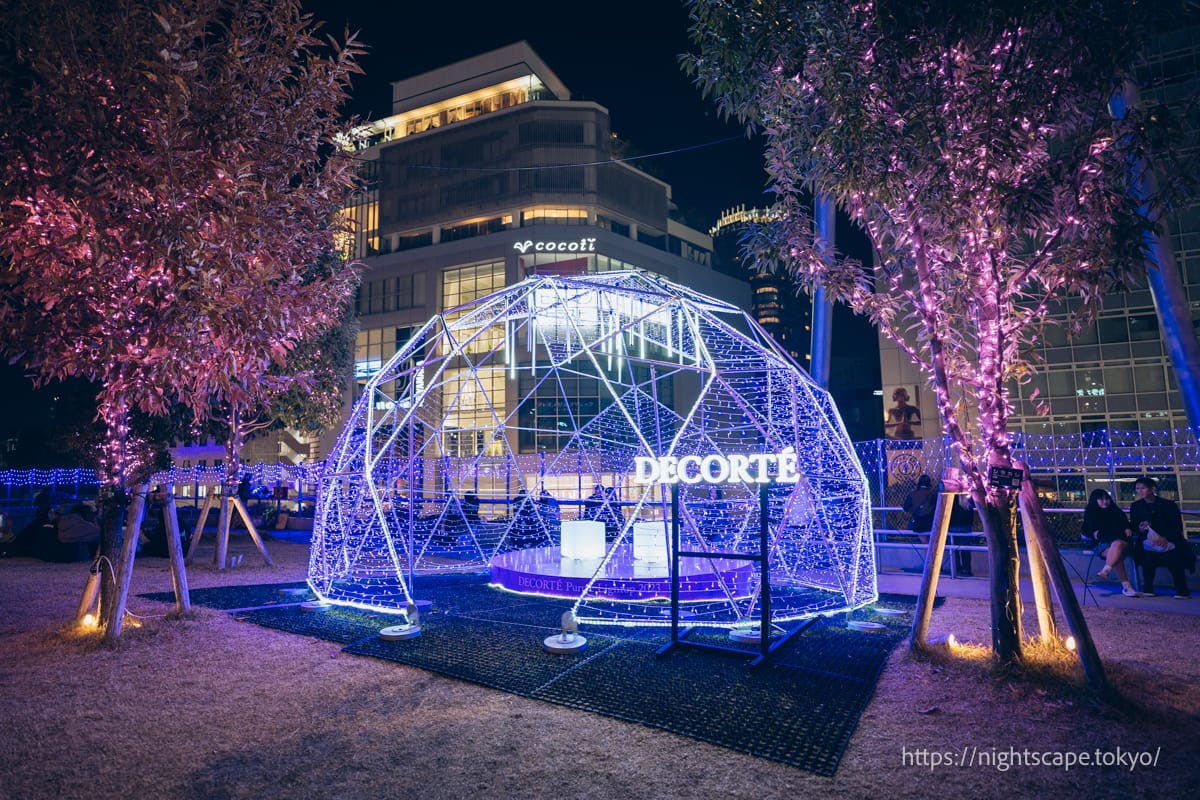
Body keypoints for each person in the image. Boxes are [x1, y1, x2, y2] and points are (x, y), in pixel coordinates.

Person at [1128, 476, 1194, 598]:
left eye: (1143, 488)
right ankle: (1148, 587)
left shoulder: (1168, 505)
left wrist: (1165, 537)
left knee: (1173, 557)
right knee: (1147, 558)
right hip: (1148, 541)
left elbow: (1176, 526)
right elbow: (1134, 525)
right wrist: (1140, 528)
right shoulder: (1136, 506)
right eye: (1137, 488)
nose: (1140, 491)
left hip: (1168, 540)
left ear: (1152, 489)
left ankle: (1182, 589)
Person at [1081, 488, 1142, 597]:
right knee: (1115, 554)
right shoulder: (1091, 513)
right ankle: (1126, 587)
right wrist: (1094, 533)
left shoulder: (1116, 511)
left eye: (1107, 499)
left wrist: (1127, 528)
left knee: (1117, 545)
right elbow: (1086, 530)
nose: (1105, 502)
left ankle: (1107, 570)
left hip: (1121, 543)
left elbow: (1126, 524)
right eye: (1101, 499)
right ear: (1095, 500)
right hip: (1103, 544)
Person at [946, 493, 977, 577]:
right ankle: (967, 569)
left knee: (954, 549)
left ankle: (956, 569)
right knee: (966, 549)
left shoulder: (951, 497)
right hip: (965, 527)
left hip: (952, 526)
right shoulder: (968, 497)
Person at [902, 474, 936, 542]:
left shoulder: (912, 494)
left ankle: (928, 552)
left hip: (919, 522)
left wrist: (914, 509)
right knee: (930, 541)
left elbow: (905, 507)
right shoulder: (932, 494)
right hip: (931, 522)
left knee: (924, 540)